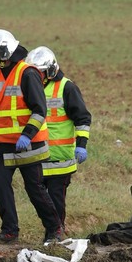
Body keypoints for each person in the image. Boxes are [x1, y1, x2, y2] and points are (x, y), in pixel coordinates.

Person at [0, 29, 64, 245]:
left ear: (4, 53)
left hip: (29, 144)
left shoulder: (28, 73)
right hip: (3, 145)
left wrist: (27, 135)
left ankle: (54, 229)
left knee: (34, 188)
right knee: (1, 187)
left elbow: (39, 110)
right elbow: (0, 112)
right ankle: (9, 231)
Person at [27, 46, 92, 235]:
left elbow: (83, 119)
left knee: (56, 198)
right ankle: (53, 231)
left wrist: (81, 146)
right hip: (37, 156)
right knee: (39, 199)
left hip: (60, 159)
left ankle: (56, 233)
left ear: (50, 70)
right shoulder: (31, 88)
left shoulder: (67, 88)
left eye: (40, 73)